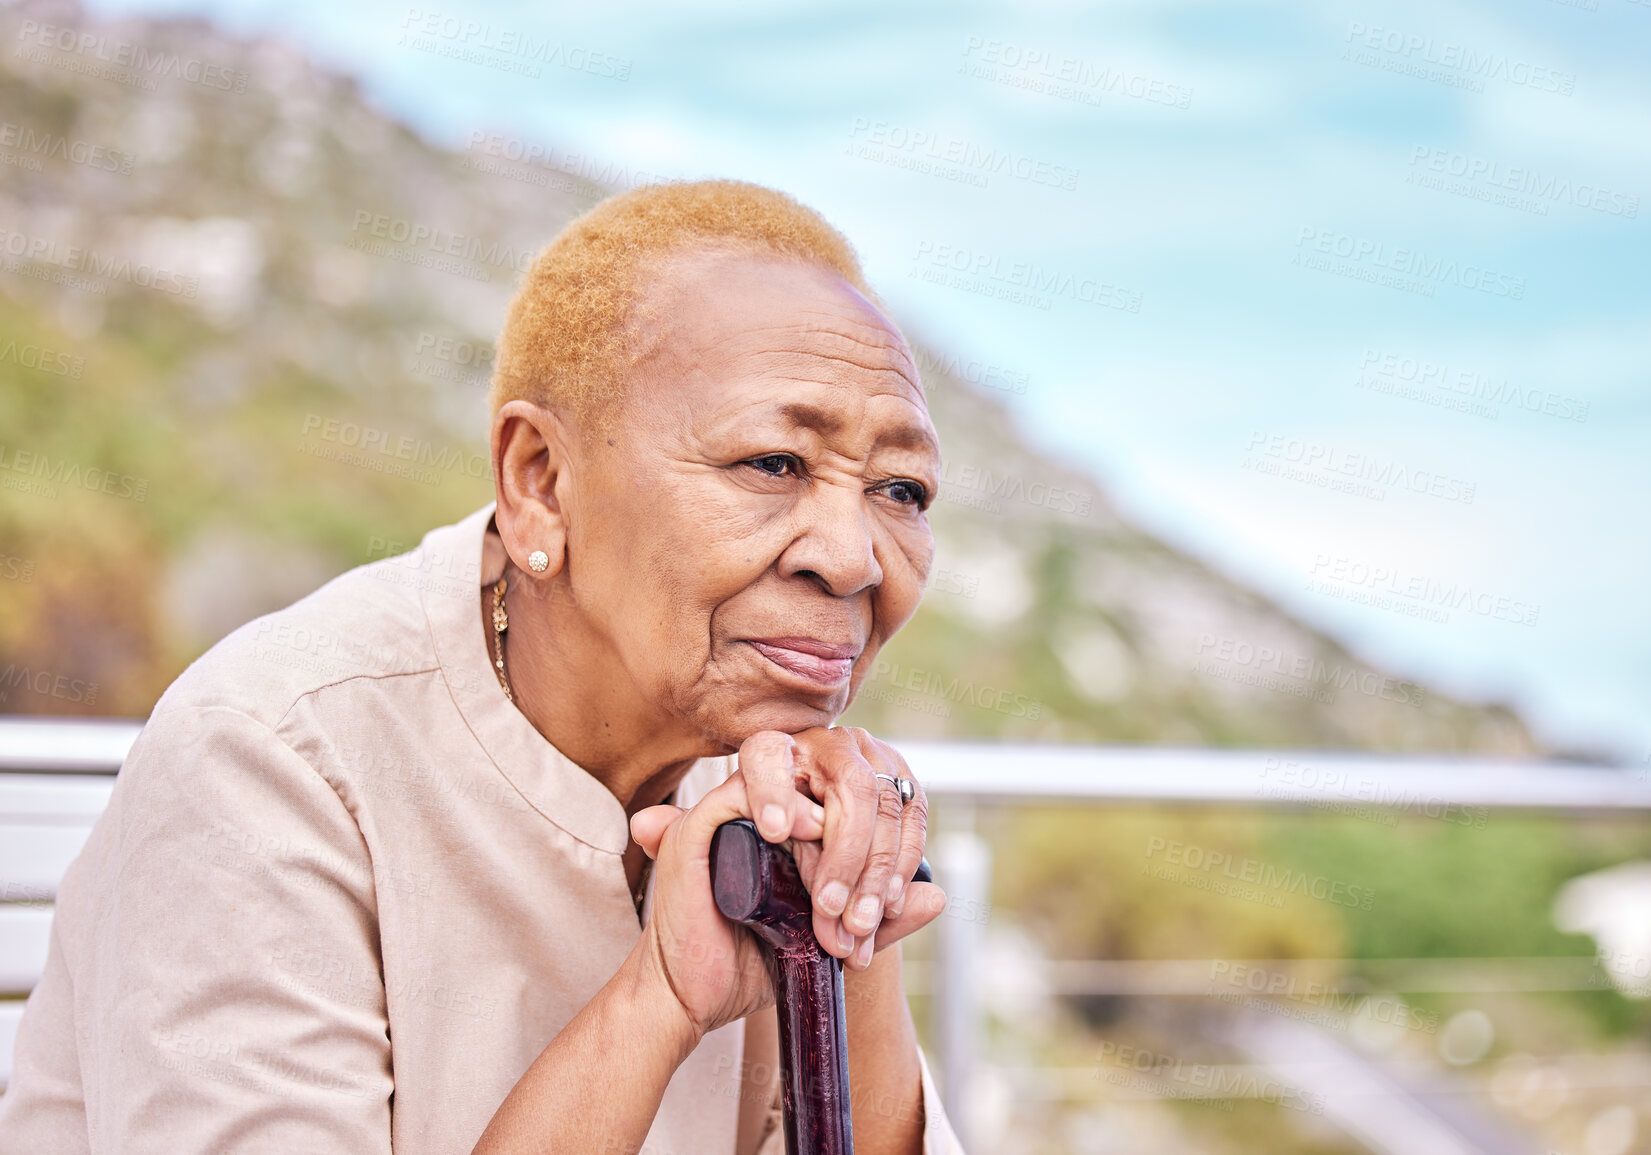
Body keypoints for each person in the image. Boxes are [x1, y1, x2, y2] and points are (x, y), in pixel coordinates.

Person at [0, 180, 964, 1154]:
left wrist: (847, 915)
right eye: (772, 463)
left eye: (900, 488)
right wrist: (657, 1001)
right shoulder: (267, 755)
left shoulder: (755, 781)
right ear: (541, 484)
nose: (852, 558)